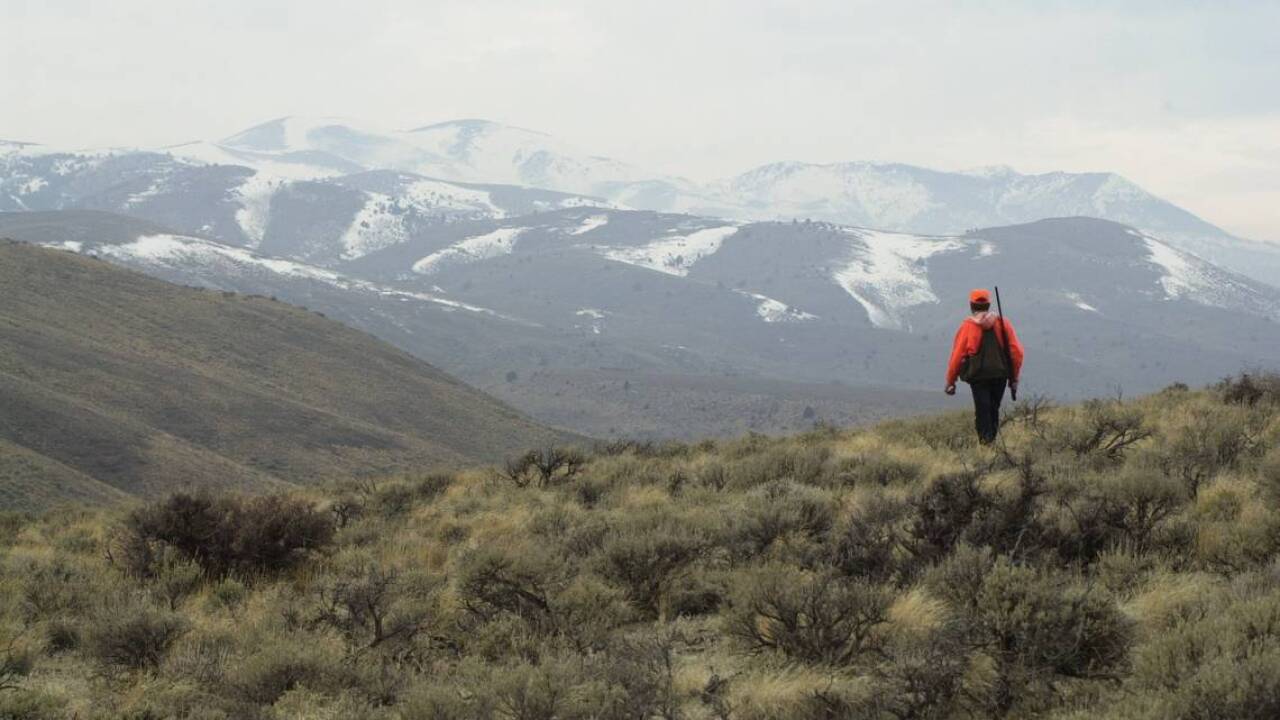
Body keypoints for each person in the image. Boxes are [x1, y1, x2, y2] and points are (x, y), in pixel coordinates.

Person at [945, 288, 1024, 444]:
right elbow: (1017, 352)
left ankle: (985, 444)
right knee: (993, 409)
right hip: (1000, 374)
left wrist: (950, 381)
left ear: (971, 305)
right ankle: (992, 442)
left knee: (982, 409)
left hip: (978, 376)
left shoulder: (967, 326)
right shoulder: (1003, 324)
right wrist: (1014, 377)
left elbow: (957, 355)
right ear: (988, 305)